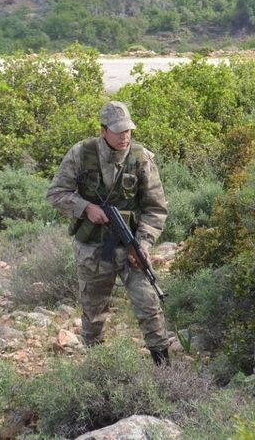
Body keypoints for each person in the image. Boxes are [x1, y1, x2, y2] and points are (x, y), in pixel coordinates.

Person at [46, 101, 170, 365]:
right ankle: (98, 368)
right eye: (118, 131)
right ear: (103, 130)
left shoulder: (141, 158)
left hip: (131, 246)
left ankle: (163, 367)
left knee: (149, 305)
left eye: (128, 130)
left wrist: (144, 243)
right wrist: (85, 207)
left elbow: (155, 208)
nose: (125, 136)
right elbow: (56, 194)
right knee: (94, 311)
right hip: (92, 247)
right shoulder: (81, 154)